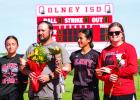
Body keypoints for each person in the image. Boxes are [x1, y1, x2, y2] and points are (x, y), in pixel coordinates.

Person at [20, 21, 71, 100]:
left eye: (43, 30)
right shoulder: (32, 47)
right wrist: (28, 72)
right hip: (33, 95)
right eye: (38, 30)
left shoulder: (58, 47)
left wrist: (50, 76)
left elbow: (68, 68)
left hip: (52, 95)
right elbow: (22, 67)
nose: (40, 33)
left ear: (50, 31)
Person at [96, 22, 138, 100]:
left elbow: (133, 68)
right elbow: (98, 72)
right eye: (111, 33)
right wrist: (108, 77)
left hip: (126, 93)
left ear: (122, 34)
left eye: (117, 32)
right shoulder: (104, 51)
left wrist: (112, 71)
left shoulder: (129, 48)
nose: (114, 34)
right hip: (109, 94)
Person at [70, 29, 100, 100]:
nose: (78, 40)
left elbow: (101, 72)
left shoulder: (96, 55)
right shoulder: (74, 55)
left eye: (81, 38)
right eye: (78, 38)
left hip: (91, 90)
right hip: (77, 91)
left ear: (89, 39)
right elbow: (67, 69)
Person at [0, 35, 28, 100]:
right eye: (8, 44)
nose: (10, 47)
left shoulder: (23, 58)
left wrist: (24, 65)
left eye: (13, 44)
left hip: (17, 95)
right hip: (2, 95)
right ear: (5, 46)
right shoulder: (1, 60)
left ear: (17, 46)